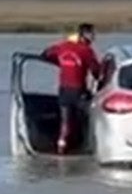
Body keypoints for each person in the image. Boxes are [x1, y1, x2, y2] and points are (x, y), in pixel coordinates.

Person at [42, 22, 109, 154]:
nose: (94, 37)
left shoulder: (62, 47)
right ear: (85, 35)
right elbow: (96, 72)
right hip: (78, 91)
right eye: (92, 34)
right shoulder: (86, 51)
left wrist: (62, 63)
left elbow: (45, 54)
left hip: (63, 90)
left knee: (65, 122)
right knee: (89, 118)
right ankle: (87, 145)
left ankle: (61, 148)